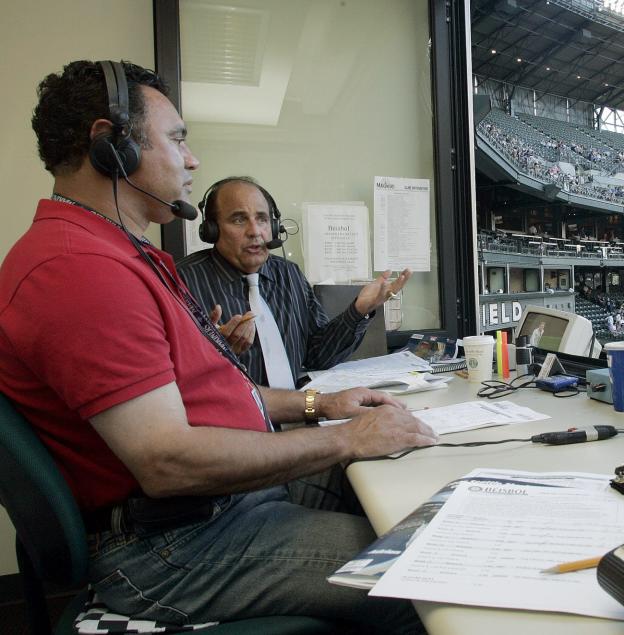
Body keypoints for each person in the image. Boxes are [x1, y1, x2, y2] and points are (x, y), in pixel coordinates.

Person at [0, 59, 436, 631]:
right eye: (177, 139)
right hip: (175, 545)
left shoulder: (117, 255)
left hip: (220, 504)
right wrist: (348, 438)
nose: (191, 159)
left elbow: (210, 396)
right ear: (111, 147)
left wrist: (323, 406)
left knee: (414, 492)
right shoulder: (79, 269)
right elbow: (167, 460)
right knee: (426, 567)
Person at [177, 176, 411, 387]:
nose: (255, 231)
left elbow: (317, 356)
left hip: (298, 413)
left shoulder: (289, 275)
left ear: (275, 228)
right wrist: (216, 352)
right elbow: (178, 377)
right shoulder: (183, 281)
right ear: (211, 230)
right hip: (232, 424)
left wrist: (360, 310)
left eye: (262, 219)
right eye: (239, 220)